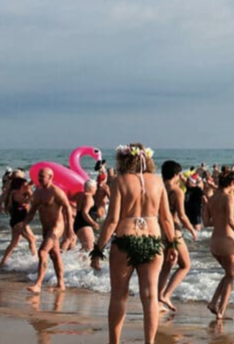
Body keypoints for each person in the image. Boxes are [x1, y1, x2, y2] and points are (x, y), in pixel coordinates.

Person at [89, 143, 177, 344]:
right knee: (150, 296)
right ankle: (149, 342)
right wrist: (172, 244)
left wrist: (98, 249)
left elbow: (112, 220)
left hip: (125, 240)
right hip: (153, 241)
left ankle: (114, 342)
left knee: (119, 295)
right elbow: (166, 219)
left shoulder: (120, 181)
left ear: (124, 159)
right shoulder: (157, 182)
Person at [203, 171, 234, 320]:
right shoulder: (229, 197)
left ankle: (213, 303)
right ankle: (221, 312)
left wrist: (220, 219)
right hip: (227, 241)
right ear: (232, 183)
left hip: (214, 243)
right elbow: (231, 220)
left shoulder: (210, 199)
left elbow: (206, 222)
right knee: (231, 276)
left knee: (228, 274)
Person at [23, 167, 75, 294]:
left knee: (42, 252)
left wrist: (69, 230)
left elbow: (68, 208)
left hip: (57, 227)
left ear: (50, 177)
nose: (40, 178)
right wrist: (25, 223)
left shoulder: (56, 192)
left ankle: (38, 284)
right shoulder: (38, 192)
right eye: (39, 176)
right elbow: (33, 210)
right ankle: (61, 284)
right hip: (45, 227)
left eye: (42, 176)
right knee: (55, 255)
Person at [158, 160, 199, 312]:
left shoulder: (157, 187)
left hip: (160, 229)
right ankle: (166, 295)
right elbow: (181, 215)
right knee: (185, 265)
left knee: (166, 266)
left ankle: (158, 301)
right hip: (174, 231)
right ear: (175, 174)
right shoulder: (177, 191)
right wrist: (192, 230)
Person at [0, 177, 37, 266]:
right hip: (19, 221)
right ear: (19, 185)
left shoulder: (17, 192)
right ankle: (35, 261)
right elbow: (24, 202)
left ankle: (2, 262)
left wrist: (34, 182)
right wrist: (33, 195)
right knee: (32, 239)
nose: (26, 185)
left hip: (16, 221)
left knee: (14, 243)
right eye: (24, 184)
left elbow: (29, 186)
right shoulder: (15, 194)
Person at [73, 180, 100, 252]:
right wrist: (93, 223)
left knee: (84, 250)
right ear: (91, 188)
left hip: (78, 224)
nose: (96, 189)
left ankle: (74, 262)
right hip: (84, 225)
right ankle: (73, 262)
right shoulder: (88, 197)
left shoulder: (80, 195)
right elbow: (85, 213)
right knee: (90, 249)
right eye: (95, 188)